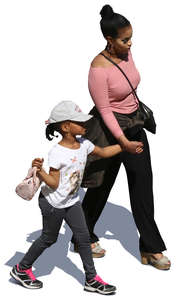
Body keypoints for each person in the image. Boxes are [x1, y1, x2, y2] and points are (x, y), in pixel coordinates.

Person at [72, 5, 171, 270]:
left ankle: (151, 248)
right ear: (109, 40)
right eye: (125, 39)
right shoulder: (97, 68)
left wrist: (131, 133)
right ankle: (83, 236)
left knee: (142, 183)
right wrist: (122, 142)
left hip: (134, 126)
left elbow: (130, 86)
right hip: (109, 132)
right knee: (100, 185)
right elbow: (104, 109)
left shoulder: (126, 53)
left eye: (131, 38)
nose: (130, 43)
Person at [10, 101, 141, 294]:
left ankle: (91, 279)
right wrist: (40, 170)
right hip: (53, 203)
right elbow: (53, 183)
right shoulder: (57, 153)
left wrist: (125, 147)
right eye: (80, 122)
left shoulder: (84, 144)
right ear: (65, 127)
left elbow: (104, 152)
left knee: (84, 238)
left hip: (71, 202)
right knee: (49, 238)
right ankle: (21, 269)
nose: (85, 125)